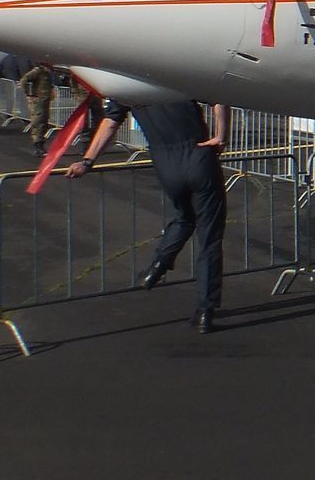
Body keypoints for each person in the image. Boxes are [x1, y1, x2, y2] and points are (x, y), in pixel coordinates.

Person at [67, 99, 229, 333]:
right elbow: (219, 99)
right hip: (198, 153)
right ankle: (206, 309)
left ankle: (158, 264)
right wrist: (221, 135)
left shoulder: (128, 90)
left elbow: (110, 123)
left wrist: (87, 161)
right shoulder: (178, 74)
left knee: (185, 216)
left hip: (164, 162)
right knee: (210, 237)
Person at [18, 62, 54, 148]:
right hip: (38, 100)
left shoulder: (47, 72)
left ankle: (41, 144)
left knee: (44, 122)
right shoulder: (38, 71)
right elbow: (24, 79)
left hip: (44, 100)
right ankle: (38, 146)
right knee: (38, 123)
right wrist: (29, 94)